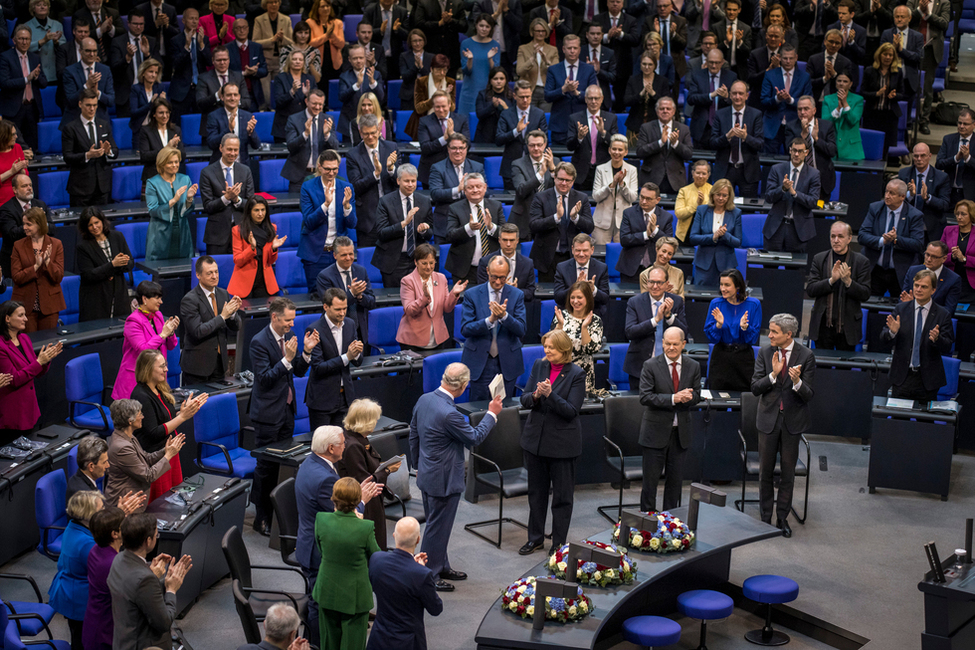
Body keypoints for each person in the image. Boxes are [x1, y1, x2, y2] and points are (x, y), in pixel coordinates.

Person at [410, 363, 502, 588]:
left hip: (427, 474)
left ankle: (441, 565)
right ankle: (430, 575)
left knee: (437, 526)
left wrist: (416, 464)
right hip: (443, 480)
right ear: (462, 386)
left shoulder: (424, 399)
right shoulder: (450, 414)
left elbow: (413, 433)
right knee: (436, 527)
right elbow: (475, 437)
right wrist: (492, 413)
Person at [295, 426, 383, 642]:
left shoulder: (311, 463)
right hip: (319, 552)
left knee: (317, 600)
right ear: (331, 447)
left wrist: (355, 493)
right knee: (318, 605)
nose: (346, 445)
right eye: (343, 443)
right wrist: (361, 501)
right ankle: (315, 644)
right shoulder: (325, 479)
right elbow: (342, 519)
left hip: (309, 541)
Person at [248, 297, 315, 535]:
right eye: (288, 320)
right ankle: (261, 517)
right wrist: (287, 359)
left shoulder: (286, 339)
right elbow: (264, 378)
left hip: (286, 411)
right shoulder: (258, 342)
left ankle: (278, 513)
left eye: (293, 319)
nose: (292, 324)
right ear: (275, 317)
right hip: (267, 414)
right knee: (265, 468)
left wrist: (305, 352)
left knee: (283, 466)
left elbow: (296, 371)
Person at [518, 329, 586, 555]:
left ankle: (558, 544)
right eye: (545, 346)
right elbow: (525, 398)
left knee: (562, 498)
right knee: (536, 495)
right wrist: (536, 396)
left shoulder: (577, 373)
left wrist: (550, 395)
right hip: (535, 442)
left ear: (564, 350)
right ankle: (535, 538)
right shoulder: (539, 365)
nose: (547, 351)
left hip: (562, 445)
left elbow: (571, 411)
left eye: (552, 348)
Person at [751, 313, 815, 538]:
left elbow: (809, 395)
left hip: (792, 422)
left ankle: (782, 518)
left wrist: (797, 382)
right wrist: (774, 374)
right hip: (767, 420)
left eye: (774, 332)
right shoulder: (765, 352)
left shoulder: (806, 356)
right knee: (765, 472)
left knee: (787, 474)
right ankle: (765, 518)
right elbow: (755, 387)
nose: (769, 335)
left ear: (788, 334)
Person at [637, 325, 701, 512]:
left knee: (675, 484)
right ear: (662, 343)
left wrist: (691, 398)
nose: (671, 347)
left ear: (683, 344)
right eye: (667, 344)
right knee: (650, 484)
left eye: (675, 344)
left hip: (680, 434)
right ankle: (647, 523)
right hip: (654, 433)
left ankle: (670, 522)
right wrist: (674, 398)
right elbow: (645, 397)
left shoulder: (693, 366)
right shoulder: (650, 365)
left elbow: (697, 394)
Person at [311, 475, 379, 650]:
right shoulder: (365, 527)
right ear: (358, 500)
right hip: (354, 598)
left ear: (334, 498)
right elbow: (377, 559)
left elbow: (321, 550)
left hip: (327, 592)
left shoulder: (321, 520)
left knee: (328, 644)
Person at [107, 513, 192, 650]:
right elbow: (164, 622)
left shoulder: (118, 559)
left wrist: (157, 578)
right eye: (156, 536)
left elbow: (135, 593)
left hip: (122, 641)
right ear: (147, 541)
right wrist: (171, 589)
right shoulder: (145, 579)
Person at [367, 516, 443, 650]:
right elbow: (436, 609)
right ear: (418, 540)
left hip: (379, 638)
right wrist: (419, 568)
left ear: (394, 535)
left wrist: (413, 567)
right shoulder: (422, 575)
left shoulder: (376, 560)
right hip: (408, 643)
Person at [460, 256, 527, 401]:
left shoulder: (517, 295)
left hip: (507, 363)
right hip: (480, 362)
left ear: (509, 273)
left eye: (502, 278)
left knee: (505, 411)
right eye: (494, 277)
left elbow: (521, 329)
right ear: (487, 271)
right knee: (478, 410)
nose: (498, 282)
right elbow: (465, 329)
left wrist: (504, 317)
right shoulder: (472, 294)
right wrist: (489, 321)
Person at [338, 399, 401, 550]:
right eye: (374, 419)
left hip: (371, 499)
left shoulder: (357, 437)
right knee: (373, 543)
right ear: (365, 421)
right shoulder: (353, 445)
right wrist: (386, 470)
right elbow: (364, 481)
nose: (377, 421)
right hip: (365, 502)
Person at [104, 398, 185, 509]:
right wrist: (168, 455)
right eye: (140, 414)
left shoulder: (128, 436)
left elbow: (146, 458)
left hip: (134, 501)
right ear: (130, 421)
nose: (143, 417)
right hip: (125, 506)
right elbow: (148, 476)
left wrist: (165, 450)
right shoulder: (122, 447)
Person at [48, 490, 103, 650]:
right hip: (79, 601)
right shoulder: (86, 543)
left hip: (69, 590)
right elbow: (106, 571)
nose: (104, 512)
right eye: (100, 509)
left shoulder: (73, 526)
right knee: (82, 641)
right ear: (88, 514)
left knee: (78, 636)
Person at [805, 220, 872, 350]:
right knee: (823, 369)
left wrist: (848, 282)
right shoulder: (819, 259)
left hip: (848, 328)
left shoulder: (861, 262)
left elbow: (865, 294)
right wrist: (831, 280)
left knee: (845, 370)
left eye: (840, 236)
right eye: (833, 236)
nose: (836, 240)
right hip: (823, 327)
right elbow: (811, 289)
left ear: (849, 239)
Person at [0, 300, 61, 443]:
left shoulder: (24, 338)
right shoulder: (1, 346)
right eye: (21, 315)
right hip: (12, 413)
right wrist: (39, 362)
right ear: (7, 319)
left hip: (29, 409)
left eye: (25, 315)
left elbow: (36, 372)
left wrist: (46, 360)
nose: (26, 319)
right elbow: (14, 379)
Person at [298, 150, 356, 294]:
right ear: (319, 167)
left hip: (339, 253)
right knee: (317, 297)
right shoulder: (308, 187)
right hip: (315, 253)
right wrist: (325, 204)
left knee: (341, 295)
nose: (331, 173)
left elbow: (352, 223)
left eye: (335, 169)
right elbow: (309, 221)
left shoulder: (346, 187)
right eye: (328, 169)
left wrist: (346, 206)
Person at [179, 256, 242, 386]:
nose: (214, 276)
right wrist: (223, 316)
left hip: (219, 364)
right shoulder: (189, 300)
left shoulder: (223, 294)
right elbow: (198, 331)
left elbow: (236, 326)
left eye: (216, 272)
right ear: (198, 275)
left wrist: (233, 313)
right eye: (209, 273)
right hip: (197, 367)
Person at [858, 179, 925, 297]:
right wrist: (881, 241)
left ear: (902, 196)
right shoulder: (875, 208)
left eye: (892, 193)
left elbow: (918, 244)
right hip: (875, 269)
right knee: (870, 307)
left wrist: (896, 239)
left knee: (900, 309)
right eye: (886, 192)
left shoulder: (914, 215)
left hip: (900, 272)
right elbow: (862, 235)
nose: (887, 196)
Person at [112, 281, 179, 400]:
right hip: (136, 380)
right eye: (157, 298)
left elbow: (171, 345)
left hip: (156, 379)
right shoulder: (133, 321)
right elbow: (143, 350)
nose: (161, 302)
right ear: (144, 299)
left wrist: (171, 332)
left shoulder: (158, 315)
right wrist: (163, 334)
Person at [529, 162, 594, 282]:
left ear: (573, 181)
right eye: (561, 179)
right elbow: (533, 225)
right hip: (547, 257)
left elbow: (590, 227)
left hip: (572, 256)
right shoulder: (541, 197)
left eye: (568, 180)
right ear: (554, 178)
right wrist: (556, 217)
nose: (564, 183)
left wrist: (575, 217)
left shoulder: (581, 198)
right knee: (548, 294)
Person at [307, 288, 362, 427]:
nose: (342, 313)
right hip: (322, 400)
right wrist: (347, 356)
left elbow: (358, 361)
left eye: (345, 308)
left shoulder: (350, 324)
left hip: (345, 397)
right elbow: (318, 367)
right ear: (326, 307)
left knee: (342, 442)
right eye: (338, 309)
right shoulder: (314, 330)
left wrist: (357, 353)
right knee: (323, 445)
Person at [625, 267, 689, 388]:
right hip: (640, 366)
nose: (655, 286)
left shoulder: (676, 301)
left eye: (659, 283)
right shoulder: (635, 302)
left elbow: (684, 332)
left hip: (668, 366)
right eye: (651, 282)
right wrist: (655, 320)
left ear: (666, 284)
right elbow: (630, 332)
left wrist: (669, 316)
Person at [397, 243, 465, 352]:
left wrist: (454, 294)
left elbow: (447, 308)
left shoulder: (441, 278)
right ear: (416, 262)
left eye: (431, 263)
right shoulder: (408, 281)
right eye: (424, 263)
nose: (428, 267)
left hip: (437, 338)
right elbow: (409, 310)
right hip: (413, 340)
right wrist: (424, 298)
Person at [374, 164, 434, 288]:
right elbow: (381, 233)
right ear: (398, 180)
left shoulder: (424, 201)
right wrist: (403, 223)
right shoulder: (385, 201)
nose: (410, 184)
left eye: (413, 181)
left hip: (417, 260)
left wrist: (424, 230)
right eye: (407, 181)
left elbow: (430, 232)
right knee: (395, 299)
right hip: (393, 260)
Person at [704, 268, 761, 390]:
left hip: (743, 359)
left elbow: (753, 338)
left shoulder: (754, 304)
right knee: (717, 398)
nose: (723, 288)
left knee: (744, 399)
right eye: (721, 284)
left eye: (727, 285)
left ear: (738, 286)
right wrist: (718, 325)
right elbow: (711, 337)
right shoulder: (716, 304)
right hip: (721, 357)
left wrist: (745, 328)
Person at [763, 138, 822, 253]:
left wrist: (794, 193)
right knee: (770, 269)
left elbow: (813, 202)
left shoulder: (814, 174)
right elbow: (769, 197)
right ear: (789, 150)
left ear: (806, 153)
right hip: (775, 228)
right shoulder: (777, 169)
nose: (796, 154)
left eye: (800, 151)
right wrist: (783, 189)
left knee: (795, 270)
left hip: (799, 230)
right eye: (794, 150)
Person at [11, 207, 65, 332]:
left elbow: (58, 277)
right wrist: (35, 267)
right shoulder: (18, 246)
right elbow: (17, 277)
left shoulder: (56, 244)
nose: (24, 227)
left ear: (39, 224)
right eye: (23, 223)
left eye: (28, 224)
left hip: (50, 304)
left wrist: (47, 263)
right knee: (29, 345)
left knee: (48, 343)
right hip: (25, 305)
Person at [199, 135, 255, 256]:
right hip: (217, 236)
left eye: (236, 150)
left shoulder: (245, 171)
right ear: (221, 148)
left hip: (242, 233)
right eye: (229, 149)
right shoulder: (207, 172)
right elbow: (207, 206)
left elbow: (251, 204)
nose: (233, 153)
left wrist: (237, 199)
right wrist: (226, 198)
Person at [75, 207, 133, 322]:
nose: (95, 227)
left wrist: (121, 263)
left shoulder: (117, 236)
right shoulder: (83, 246)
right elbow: (88, 275)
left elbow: (130, 263)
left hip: (118, 294)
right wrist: (112, 265)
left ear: (102, 221)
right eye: (90, 225)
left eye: (96, 222)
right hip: (96, 299)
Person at [62, 90, 118, 207]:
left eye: (94, 105)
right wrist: (88, 155)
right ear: (80, 104)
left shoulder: (104, 125)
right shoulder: (70, 128)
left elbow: (115, 151)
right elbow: (67, 157)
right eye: (88, 105)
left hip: (102, 187)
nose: (92, 109)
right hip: (80, 188)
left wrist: (109, 152)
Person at [444, 174, 502, 285]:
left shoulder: (496, 206)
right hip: (464, 269)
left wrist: (491, 227)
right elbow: (450, 236)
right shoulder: (455, 208)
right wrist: (468, 228)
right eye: (470, 187)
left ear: (485, 187)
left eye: (478, 186)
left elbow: (505, 234)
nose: (475, 190)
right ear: (465, 190)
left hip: (492, 269)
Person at [710, 80, 763, 198]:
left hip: (748, 171)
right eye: (734, 93)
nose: (737, 96)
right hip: (725, 170)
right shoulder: (720, 114)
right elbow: (713, 142)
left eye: (740, 93)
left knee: (748, 210)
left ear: (747, 95)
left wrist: (746, 137)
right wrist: (727, 137)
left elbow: (760, 144)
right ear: (729, 95)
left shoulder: (756, 115)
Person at [428, 132, 484, 242]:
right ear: (448, 149)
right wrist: (457, 189)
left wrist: (468, 191)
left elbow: (485, 192)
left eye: (461, 148)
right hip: (445, 223)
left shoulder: (477, 167)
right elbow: (435, 194)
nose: (458, 151)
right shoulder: (438, 168)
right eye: (454, 148)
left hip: (471, 221)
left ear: (466, 148)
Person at [84, 506, 125, 650]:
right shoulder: (113, 563)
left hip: (94, 622)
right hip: (105, 632)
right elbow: (132, 594)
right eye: (124, 524)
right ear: (115, 534)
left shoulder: (96, 550)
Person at [281, 90, 338, 195]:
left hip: (321, 175)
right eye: (314, 104)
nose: (317, 107)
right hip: (299, 175)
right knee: (297, 208)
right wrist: (305, 134)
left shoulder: (328, 119)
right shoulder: (294, 119)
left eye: (320, 104)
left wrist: (327, 135)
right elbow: (291, 146)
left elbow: (335, 147)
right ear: (307, 101)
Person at [145, 146, 197, 261]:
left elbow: (188, 211)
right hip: (160, 234)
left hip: (182, 232)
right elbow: (153, 210)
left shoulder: (185, 179)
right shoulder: (152, 183)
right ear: (162, 164)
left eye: (176, 162)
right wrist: (173, 200)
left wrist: (189, 199)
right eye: (170, 162)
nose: (174, 165)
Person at [551, 280, 603, 395]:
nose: (575, 301)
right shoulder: (562, 315)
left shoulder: (595, 320)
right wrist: (559, 325)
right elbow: (551, 345)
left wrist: (584, 328)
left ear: (588, 299)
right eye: (572, 297)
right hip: (560, 372)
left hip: (583, 375)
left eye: (579, 297)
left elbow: (590, 349)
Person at [229, 196, 285, 299]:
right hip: (244, 283)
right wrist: (252, 248)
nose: (260, 214)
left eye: (263, 210)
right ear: (249, 211)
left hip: (265, 281)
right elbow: (238, 260)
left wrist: (273, 248)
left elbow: (270, 261)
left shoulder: (271, 229)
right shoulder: (238, 231)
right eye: (256, 210)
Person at [545, 36, 597, 147]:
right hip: (560, 126)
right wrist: (563, 90)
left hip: (583, 125)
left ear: (579, 49)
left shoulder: (589, 70)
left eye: (575, 48)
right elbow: (547, 96)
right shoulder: (553, 70)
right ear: (563, 49)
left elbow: (594, 96)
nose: (572, 51)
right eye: (569, 48)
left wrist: (577, 93)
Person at [689, 178, 742, 286]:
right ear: (712, 194)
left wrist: (725, 235)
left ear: (729, 197)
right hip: (704, 264)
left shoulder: (735, 213)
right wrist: (713, 237)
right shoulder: (702, 210)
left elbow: (738, 242)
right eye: (718, 194)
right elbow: (693, 238)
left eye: (724, 195)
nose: (721, 198)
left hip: (726, 265)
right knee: (701, 298)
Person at [784, 95, 838, 201]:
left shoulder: (826, 126)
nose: (802, 112)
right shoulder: (791, 126)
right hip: (798, 181)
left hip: (822, 181)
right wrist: (802, 138)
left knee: (819, 213)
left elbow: (832, 151)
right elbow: (788, 150)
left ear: (814, 110)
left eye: (806, 109)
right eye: (799, 109)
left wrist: (817, 139)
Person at [617, 182, 672, 283]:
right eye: (642, 197)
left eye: (648, 199)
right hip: (631, 269)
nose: (643, 201)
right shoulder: (628, 213)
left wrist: (654, 231)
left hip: (655, 269)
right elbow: (624, 239)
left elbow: (669, 244)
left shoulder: (666, 217)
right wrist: (646, 234)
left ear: (657, 200)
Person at [636, 96, 693, 193]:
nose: (665, 111)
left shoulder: (683, 129)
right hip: (652, 179)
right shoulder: (646, 128)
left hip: (675, 180)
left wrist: (676, 144)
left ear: (674, 111)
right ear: (657, 111)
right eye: (662, 109)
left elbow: (689, 154)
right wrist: (660, 142)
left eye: (668, 109)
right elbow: (640, 152)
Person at [760, 45, 810, 154]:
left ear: (796, 57)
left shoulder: (804, 77)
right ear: (779, 57)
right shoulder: (770, 75)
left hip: (795, 127)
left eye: (791, 58)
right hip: (772, 127)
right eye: (785, 58)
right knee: (768, 163)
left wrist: (791, 100)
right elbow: (763, 101)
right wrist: (777, 99)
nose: (788, 61)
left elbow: (808, 103)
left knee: (794, 162)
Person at [1, 171, 50, 280]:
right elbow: (12, 234)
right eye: (24, 186)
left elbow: (52, 229)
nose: (29, 188)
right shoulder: (6, 209)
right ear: (15, 190)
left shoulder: (40, 204)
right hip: (17, 262)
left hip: (40, 258)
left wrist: (42, 225)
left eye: (30, 185)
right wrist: (35, 224)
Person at [567, 85, 617, 191]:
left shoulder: (611, 118)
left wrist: (603, 132)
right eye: (590, 98)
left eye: (596, 98)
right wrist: (579, 137)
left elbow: (615, 144)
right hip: (581, 172)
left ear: (602, 99)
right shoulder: (574, 118)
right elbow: (570, 146)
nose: (593, 102)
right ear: (585, 99)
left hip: (603, 171)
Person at [110, 10, 159, 120]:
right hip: (126, 96)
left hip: (148, 93)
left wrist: (147, 55)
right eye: (135, 24)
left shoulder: (151, 41)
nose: (138, 27)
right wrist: (127, 58)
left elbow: (159, 67)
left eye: (141, 24)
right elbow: (115, 70)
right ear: (128, 23)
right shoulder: (118, 42)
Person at [509, 130, 557, 240]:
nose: (536, 148)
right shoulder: (518, 164)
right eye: (532, 145)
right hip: (524, 219)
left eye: (539, 145)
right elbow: (521, 190)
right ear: (527, 145)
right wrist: (541, 174)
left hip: (547, 218)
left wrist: (553, 170)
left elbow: (560, 189)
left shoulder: (555, 162)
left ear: (545, 144)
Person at [416, 91, 470, 187]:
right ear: (433, 106)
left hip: (457, 170)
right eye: (437, 107)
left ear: (449, 104)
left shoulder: (461, 120)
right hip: (431, 171)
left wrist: (453, 135)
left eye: (444, 106)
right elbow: (425, 147)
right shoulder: (424, 121)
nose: (441, 110)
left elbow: (467, 144)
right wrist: (444, 139)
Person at [911, 0, 949, 135]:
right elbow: (906, 18)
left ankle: (924, 121)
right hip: (912, 48)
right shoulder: (913, 1)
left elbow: (944, 24)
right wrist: (919, 11)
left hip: (930, 50)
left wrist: (928, 14)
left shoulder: (943, 2)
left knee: (927, 88)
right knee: (909, 85)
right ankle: (910, 120)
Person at [899, 143, 950, 243]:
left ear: (930, 156)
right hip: (908, 224)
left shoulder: (941, 177)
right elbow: (896, 200)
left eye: (922, 155)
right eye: (916, 156)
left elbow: (945, 204)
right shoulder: (904, 174)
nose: (919, 159)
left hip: (930, 226)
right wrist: (910, 195)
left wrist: (927, 198)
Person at [60, 38, 115, 130]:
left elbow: (111, 100)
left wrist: (97, 93)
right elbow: (71, 100)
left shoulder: (105, 70)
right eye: (88, 51)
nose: (92, 54)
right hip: (75, 122)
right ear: (80, 51)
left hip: (100, 122)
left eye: (94, 51)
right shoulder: (70, 71)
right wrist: (86, 86)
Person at [686, 49, 736, 149]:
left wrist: (727, 97)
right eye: (711, 62)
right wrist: (710, 95)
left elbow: (738, 101)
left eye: (717, 63)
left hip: (723, 127)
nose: (714, 66)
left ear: (722, 62)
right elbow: (691, 98)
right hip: (702, 127)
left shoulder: (731, 77)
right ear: (706, 62)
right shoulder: (697, 75)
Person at [195, 48, 252, 135]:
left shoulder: (238, 77)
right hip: (212, 130)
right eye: (219, 60)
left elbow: (247, 102)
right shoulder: (204, 78)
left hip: (237, 128)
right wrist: (217, 96)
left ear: (229, 60)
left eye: (225, 59)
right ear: (213, 61)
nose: (222, 62)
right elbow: (200, 103)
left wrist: (232, 101)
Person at [861, 42, 903, 157]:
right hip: (873, 114)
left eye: (890, 55)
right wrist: (876, 94)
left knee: (886, 146)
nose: (888, 57)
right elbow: (862, 92)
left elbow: (902, 94)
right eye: (885, 54)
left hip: (890, 115)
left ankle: (883, 171)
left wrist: (895, 95)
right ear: (879, 55)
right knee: (871, 144)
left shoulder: (897, 72)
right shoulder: (870, 71)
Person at [476, 223, 537, 302]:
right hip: (492, 307)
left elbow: (530, 293)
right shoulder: (485, 262)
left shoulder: (528, 263)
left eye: (512, 240)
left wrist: (515, 290)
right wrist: (502, 288)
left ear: (517, 241)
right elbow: (481, 292)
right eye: (505, 240)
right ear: (499, 240)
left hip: (516, 309)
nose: (508, 244)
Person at [554, 233, 610, 317]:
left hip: (593, 314)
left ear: (592, 250)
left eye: (585, 250)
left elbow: (605, 298)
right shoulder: (562, 268)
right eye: (578, 250)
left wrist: (593, 290)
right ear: (572, 249)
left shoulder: (601, 268)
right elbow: (558, 297)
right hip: (568, 314)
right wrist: (574, 287)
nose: (581, 254)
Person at [204, 82, 261, 165]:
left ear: (239, 97)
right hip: (219, 167)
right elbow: (211, 143)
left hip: (242, 167)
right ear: (222, 97)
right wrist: (229, 130)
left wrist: (251, 133)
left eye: (235, 95)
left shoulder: (247, 116)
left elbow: (256, 145)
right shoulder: (214, 116)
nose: (232, 98)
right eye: (229, 95)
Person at [168, 9, 211, 118]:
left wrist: (201, 45)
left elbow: (210, 62)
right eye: (191, 18)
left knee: (202, 124)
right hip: (181, 91)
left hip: (201, 89)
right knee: (178, 125)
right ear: (183, 20)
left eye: (196, 19)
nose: (194, 21)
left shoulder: (204, 39)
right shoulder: (175, 41)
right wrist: (186, 47)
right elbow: (175, 65)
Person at [900, 241, 961, 316]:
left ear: (944, 259)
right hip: (911, 319)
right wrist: (907, 304)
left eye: (934, 257)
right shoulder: (913, 271)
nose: (929, 259)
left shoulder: (953, 279)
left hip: (936, 323)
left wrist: (918, 306)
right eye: (927, 254)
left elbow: (949, 311)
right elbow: (903, 299)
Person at [254, 0, 294, 111]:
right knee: (266, 95)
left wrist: (283, 38)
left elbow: (292, 43)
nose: (274, 4)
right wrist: (271, 40)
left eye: (276, 2)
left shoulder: (286, 19)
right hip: (265, 61)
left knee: (280, 91)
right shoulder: (259, 20)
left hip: (282, 61)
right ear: (265, 4)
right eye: (271, 2)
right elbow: (255, 42)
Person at [136, 97, 185, 187]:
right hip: (153, 178)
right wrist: (167, 148)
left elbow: (183, 155)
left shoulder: (175, 130)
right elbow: (145, 156)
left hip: (173, 179)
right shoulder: (146, 131)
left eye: (167, 112)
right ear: (154, 114)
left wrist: (175, 149)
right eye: (161, 113)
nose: (165, 116)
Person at [337, 44, 385, 136]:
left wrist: (372, 83)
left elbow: (381, 97)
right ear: (349, 59)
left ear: (365, 58)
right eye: (355, 58)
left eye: (361, 58)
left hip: (372, 124)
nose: (358, 61)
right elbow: (342, 97)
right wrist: (356, 85)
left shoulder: (375, 74)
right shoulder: (344, 76)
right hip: (349, 123)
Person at [459, 14, 501, 115]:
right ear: (476, 25)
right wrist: (470, 59)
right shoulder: (466, 44)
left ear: (491, 29)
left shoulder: (495, 45)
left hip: (488, 91)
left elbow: (495, 72)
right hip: (470, 90)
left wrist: (490, 58)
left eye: (487, 27)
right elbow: (466, 71)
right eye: (481, 25)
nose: (484, 29)